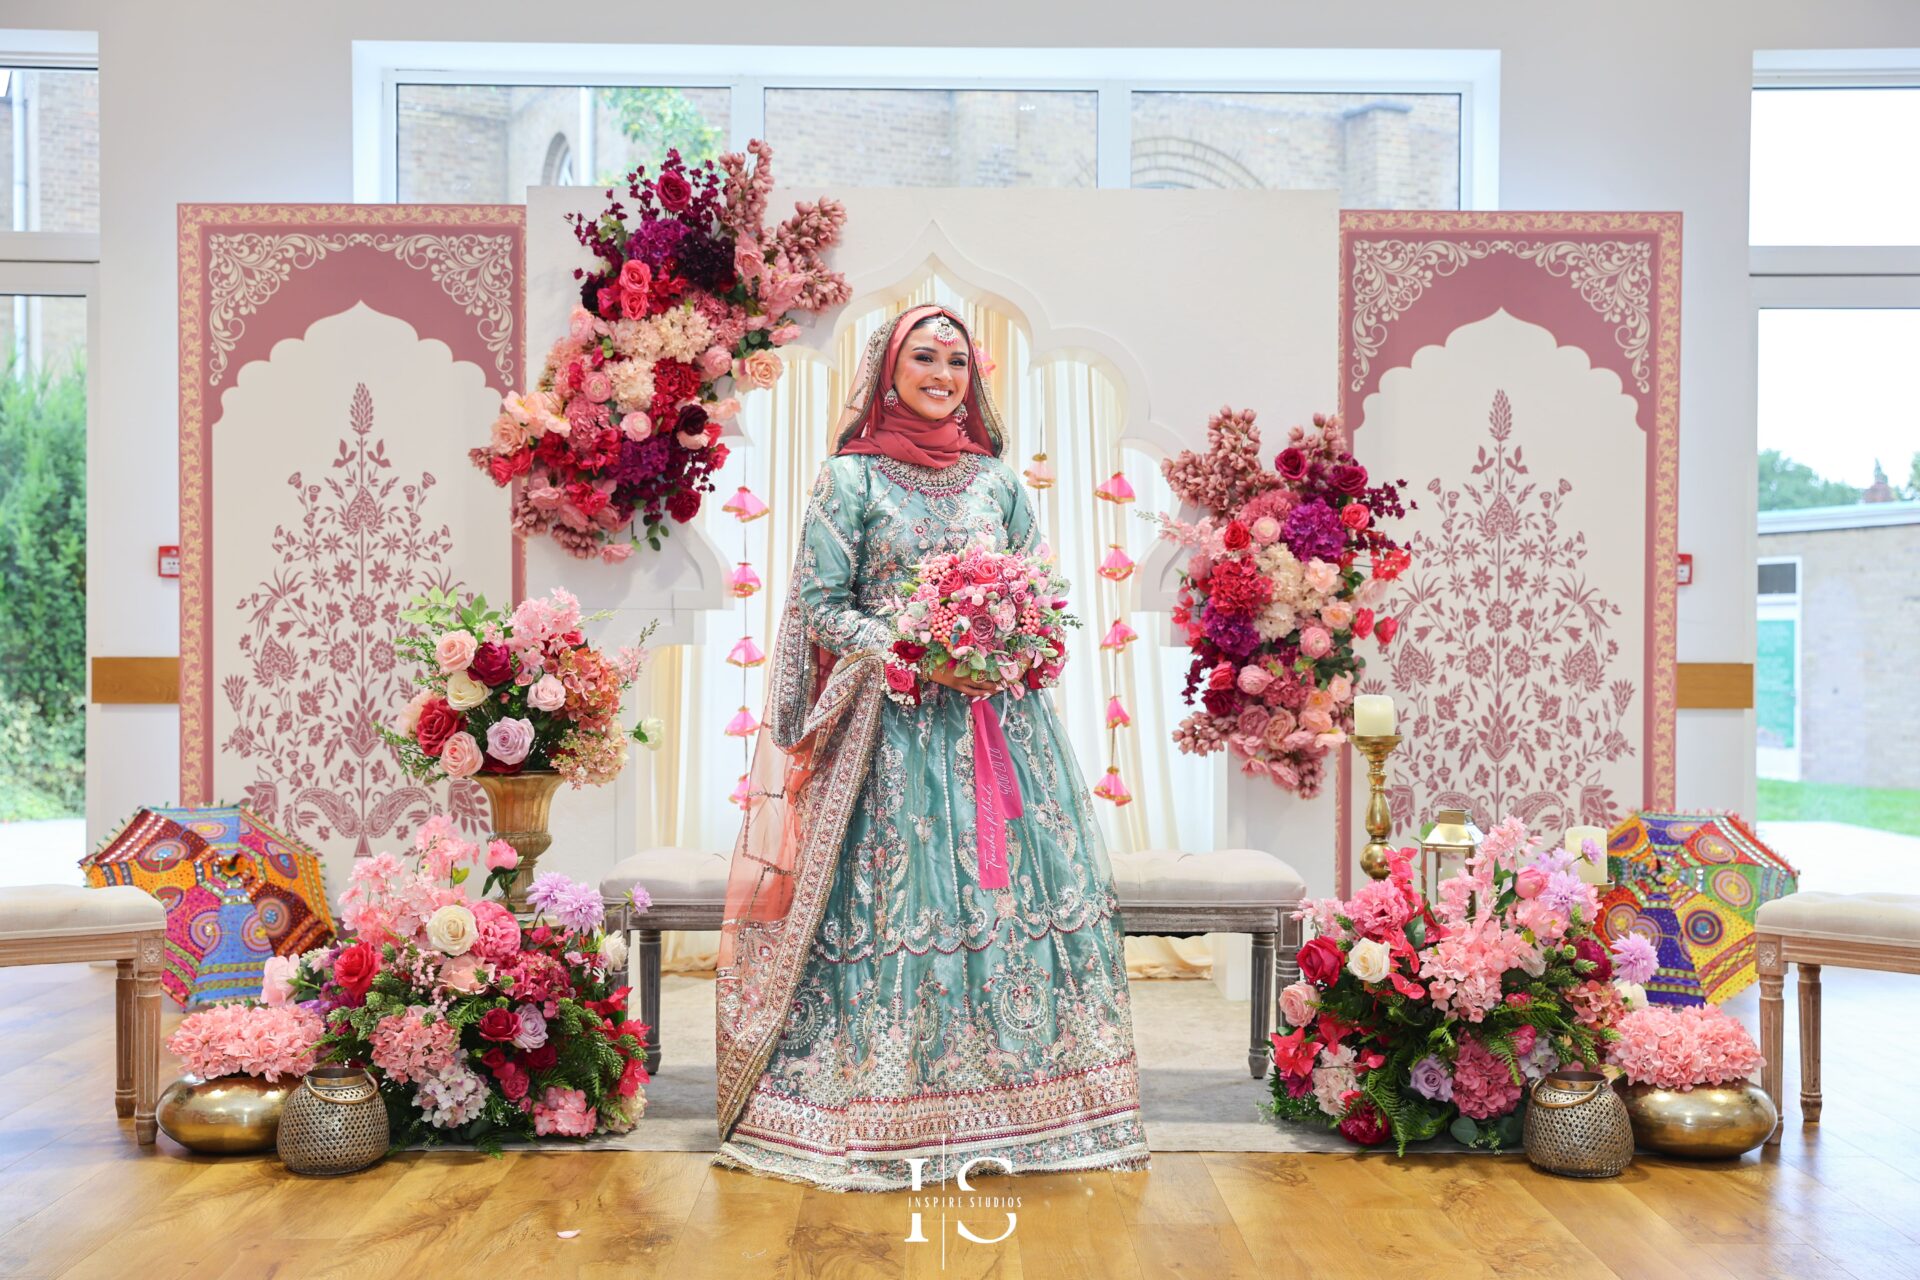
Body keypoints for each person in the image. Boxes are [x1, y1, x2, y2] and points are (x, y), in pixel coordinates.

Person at [711, 303, 1151, 1192]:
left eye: (956, 359)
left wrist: (1012, 643)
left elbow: (1041, 594)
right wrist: (913, 647)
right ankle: (878, 1105)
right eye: (924, 357)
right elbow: (819, 608)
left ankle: (1040, 1106)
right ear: (888, 371)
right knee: (898, 905)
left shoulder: (998, 483)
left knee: (1010, 904)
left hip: (1001, 731)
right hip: (891, 737)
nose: (942, 373)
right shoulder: (851, 481)